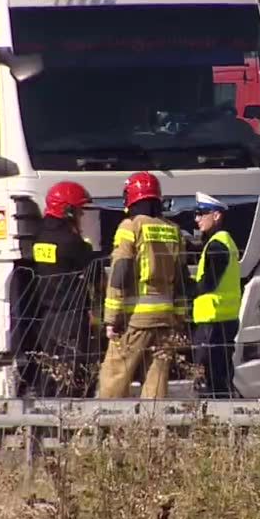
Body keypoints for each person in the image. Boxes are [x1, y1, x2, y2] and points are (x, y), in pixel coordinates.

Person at [97, 171, 191, 399]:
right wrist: (179, 318)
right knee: (156, 379)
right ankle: (152, 430)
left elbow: (120, 273)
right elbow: (182, 280)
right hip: (165, 317)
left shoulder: (130, 227)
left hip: (134, 319)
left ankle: (106, 426)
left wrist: (111, 318)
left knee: (115, 375)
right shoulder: (173, 230)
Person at [22, 180, 98, 397]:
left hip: (47, 318)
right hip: (70, 318)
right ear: (68, 211)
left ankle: (46, 424)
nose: (81, 216)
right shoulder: (72, 242)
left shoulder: (40, 236)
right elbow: (90, 262)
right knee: (74, 373)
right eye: (79, 211)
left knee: (51, 372)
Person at [189, 192, 242, 398]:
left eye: (201, 213)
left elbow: (208, 284)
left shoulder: (217, 245)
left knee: (210, 378)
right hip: (222, 319)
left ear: (217, 215)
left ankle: (215, 417)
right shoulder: (224, 241)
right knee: (220, 375)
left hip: (213, 322)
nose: (197, 219)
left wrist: (186, 289)